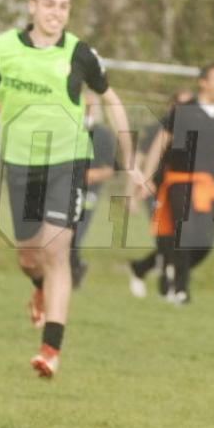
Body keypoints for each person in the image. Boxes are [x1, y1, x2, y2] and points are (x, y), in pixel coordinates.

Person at [0, 0, 144, 378]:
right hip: (20, 162)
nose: (57, 12)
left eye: (64, 6)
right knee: (29, 257)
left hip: (67, 161)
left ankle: (50, 349)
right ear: (32, 6)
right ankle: (38, 288)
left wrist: (129, 160)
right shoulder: (6, 47)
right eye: (50, 4)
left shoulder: (80, 53)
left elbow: (111, 100)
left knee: (56, 252)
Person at [138, 64, 214, 304]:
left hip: (207, 185)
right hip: (179, 182)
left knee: (206, 241)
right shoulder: (184, 111)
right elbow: (160, 142)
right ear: (203, 82)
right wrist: (146, 177)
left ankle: (170, 268)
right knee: (184, 233)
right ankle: (181, 291)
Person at [126, 88, 194, 297]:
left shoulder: (195, 129)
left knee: (181, 239)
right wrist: (131, 194)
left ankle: (141, 268)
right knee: (166, 240)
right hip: (155, 191)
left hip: (181, 190)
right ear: (171, 105)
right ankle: (168, 287)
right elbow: (138, 160)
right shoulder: (158, 128)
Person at [69, 91, 117, 288]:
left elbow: (109, 169)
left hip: (87, 194)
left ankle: (74, 270)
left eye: (90, 106)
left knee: (75, 236)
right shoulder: (67, 128)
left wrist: (87, 176)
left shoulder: (103, 134)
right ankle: (72, 269)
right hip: (62, 190)